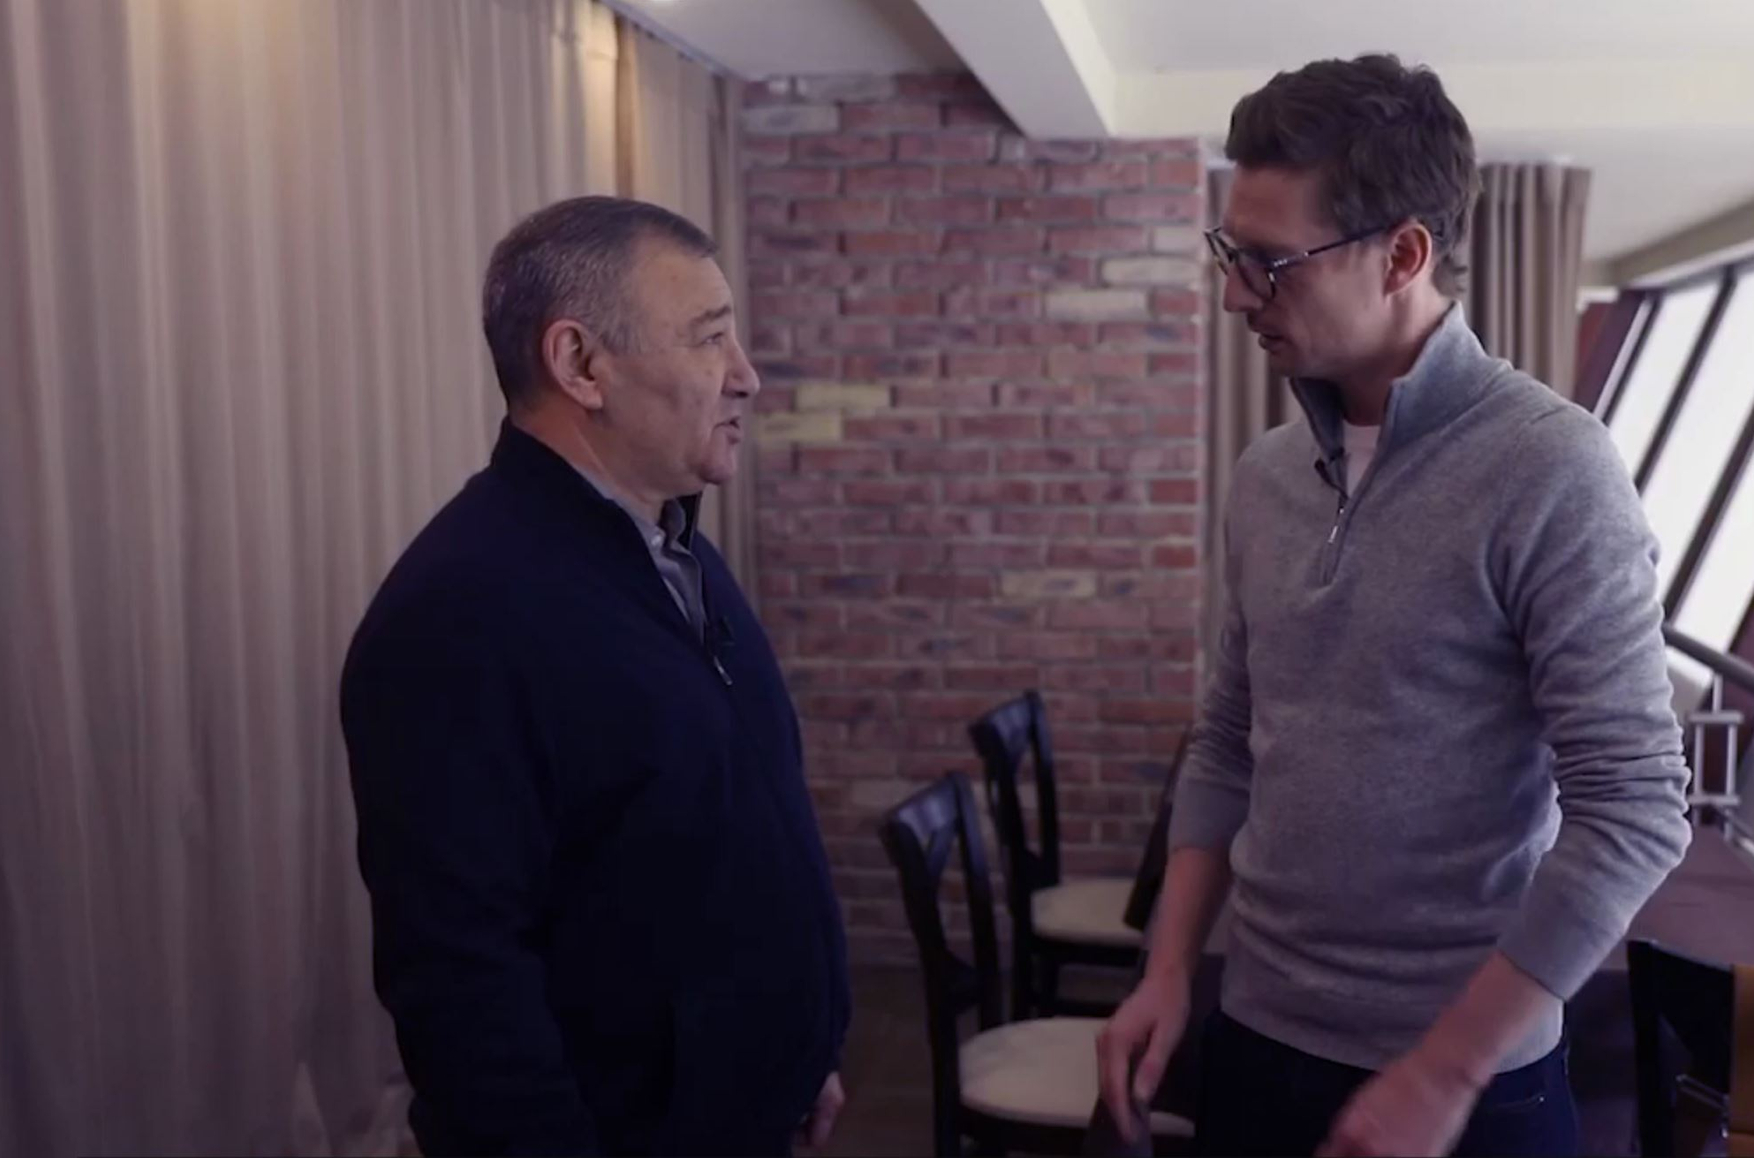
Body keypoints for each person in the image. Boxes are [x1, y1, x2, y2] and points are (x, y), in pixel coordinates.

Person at [1095, 55, 1691, 1158]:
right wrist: (1167, 967)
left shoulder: (1551, 469)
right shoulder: (1265, 476)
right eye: (1231, 253)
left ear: (1403, 255)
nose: (1234, 295)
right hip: (1256, 1035)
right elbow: (1226, 742)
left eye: (1270, 264)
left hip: (1468, 1089)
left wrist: (1446, 1070)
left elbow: (1636, 806)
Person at [341, 196, 849, 1157]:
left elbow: (721, 824)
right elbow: (461, 979)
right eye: (709, 338)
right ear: (580, 364)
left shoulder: (671, 544)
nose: (746, 375)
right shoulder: (459, 614)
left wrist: (799, 1045)